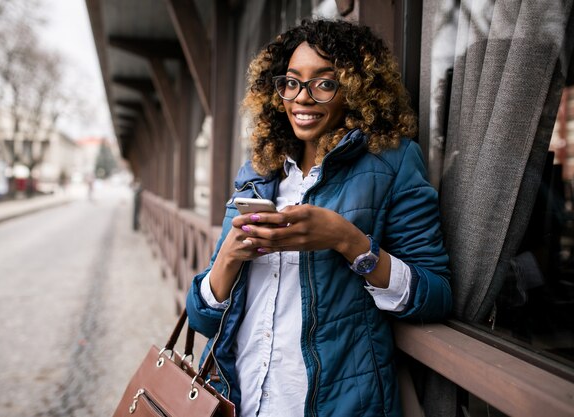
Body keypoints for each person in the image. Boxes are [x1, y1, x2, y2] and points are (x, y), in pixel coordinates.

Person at [186, 19, 451, 417]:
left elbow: (436, 294)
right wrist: (227, 258)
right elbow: (203, 318)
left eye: (323, 83)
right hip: (239, 398)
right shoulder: (259, 171)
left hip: (333, 404)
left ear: (356, 89)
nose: (302, 98)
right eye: (291, 82)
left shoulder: (393, 163)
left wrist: (348, 241)